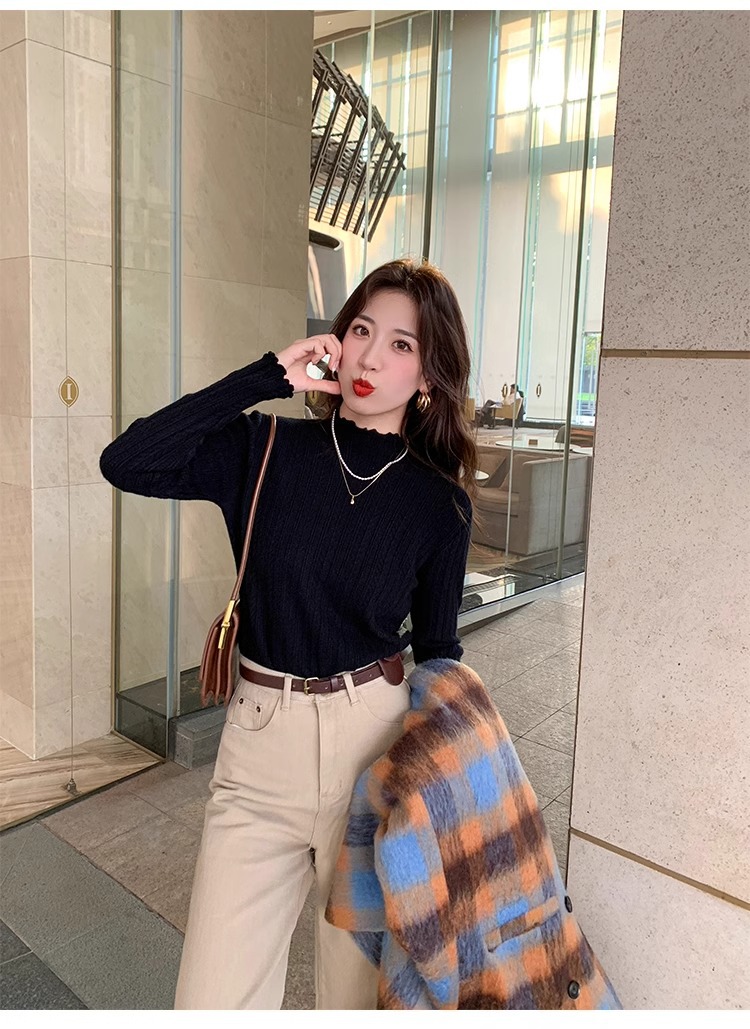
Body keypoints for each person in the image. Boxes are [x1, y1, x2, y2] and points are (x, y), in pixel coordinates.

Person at [99, 258, 477, 1011]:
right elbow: (128, 460)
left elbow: (439, 652)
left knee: (356, 1002)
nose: (371, 357)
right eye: (361, 330)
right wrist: (266, 375)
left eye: (401, 344)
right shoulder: (265, 449)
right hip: (260, 742)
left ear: (428, 377)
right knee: (210, 1001)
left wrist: (448, 780)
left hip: (374, 746)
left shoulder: (439, 504)